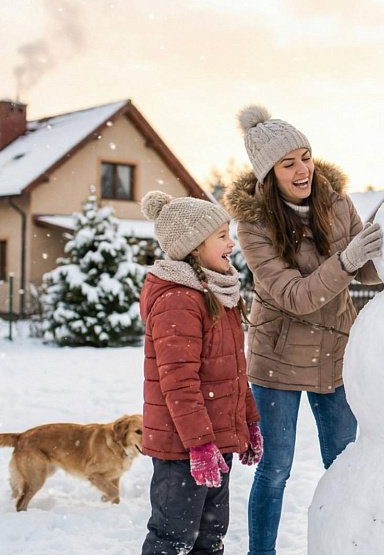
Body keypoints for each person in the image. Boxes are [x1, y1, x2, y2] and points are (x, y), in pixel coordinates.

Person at [224, 105, 383, 555]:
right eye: (288, 163)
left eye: (306, 157)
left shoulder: (337, 203)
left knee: (344, 464)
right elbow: (296, 295)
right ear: (268, 174)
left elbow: (367, 271)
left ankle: (344, 547)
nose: (302, 170)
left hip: (335, 354)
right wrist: (348, 260)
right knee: (275, 469)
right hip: (277, 361)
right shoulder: (253, 225)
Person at [138, 190, 262, 555]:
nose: (231, 243)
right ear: (194, 247)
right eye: (222, 235)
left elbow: (233, 372)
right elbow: (179, 383)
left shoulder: (217, 294)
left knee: (209, 539)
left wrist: (249, 422)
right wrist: (199, 444)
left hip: (214, 443)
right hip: (183, 449)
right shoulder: (179, 300)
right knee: (173, 540)